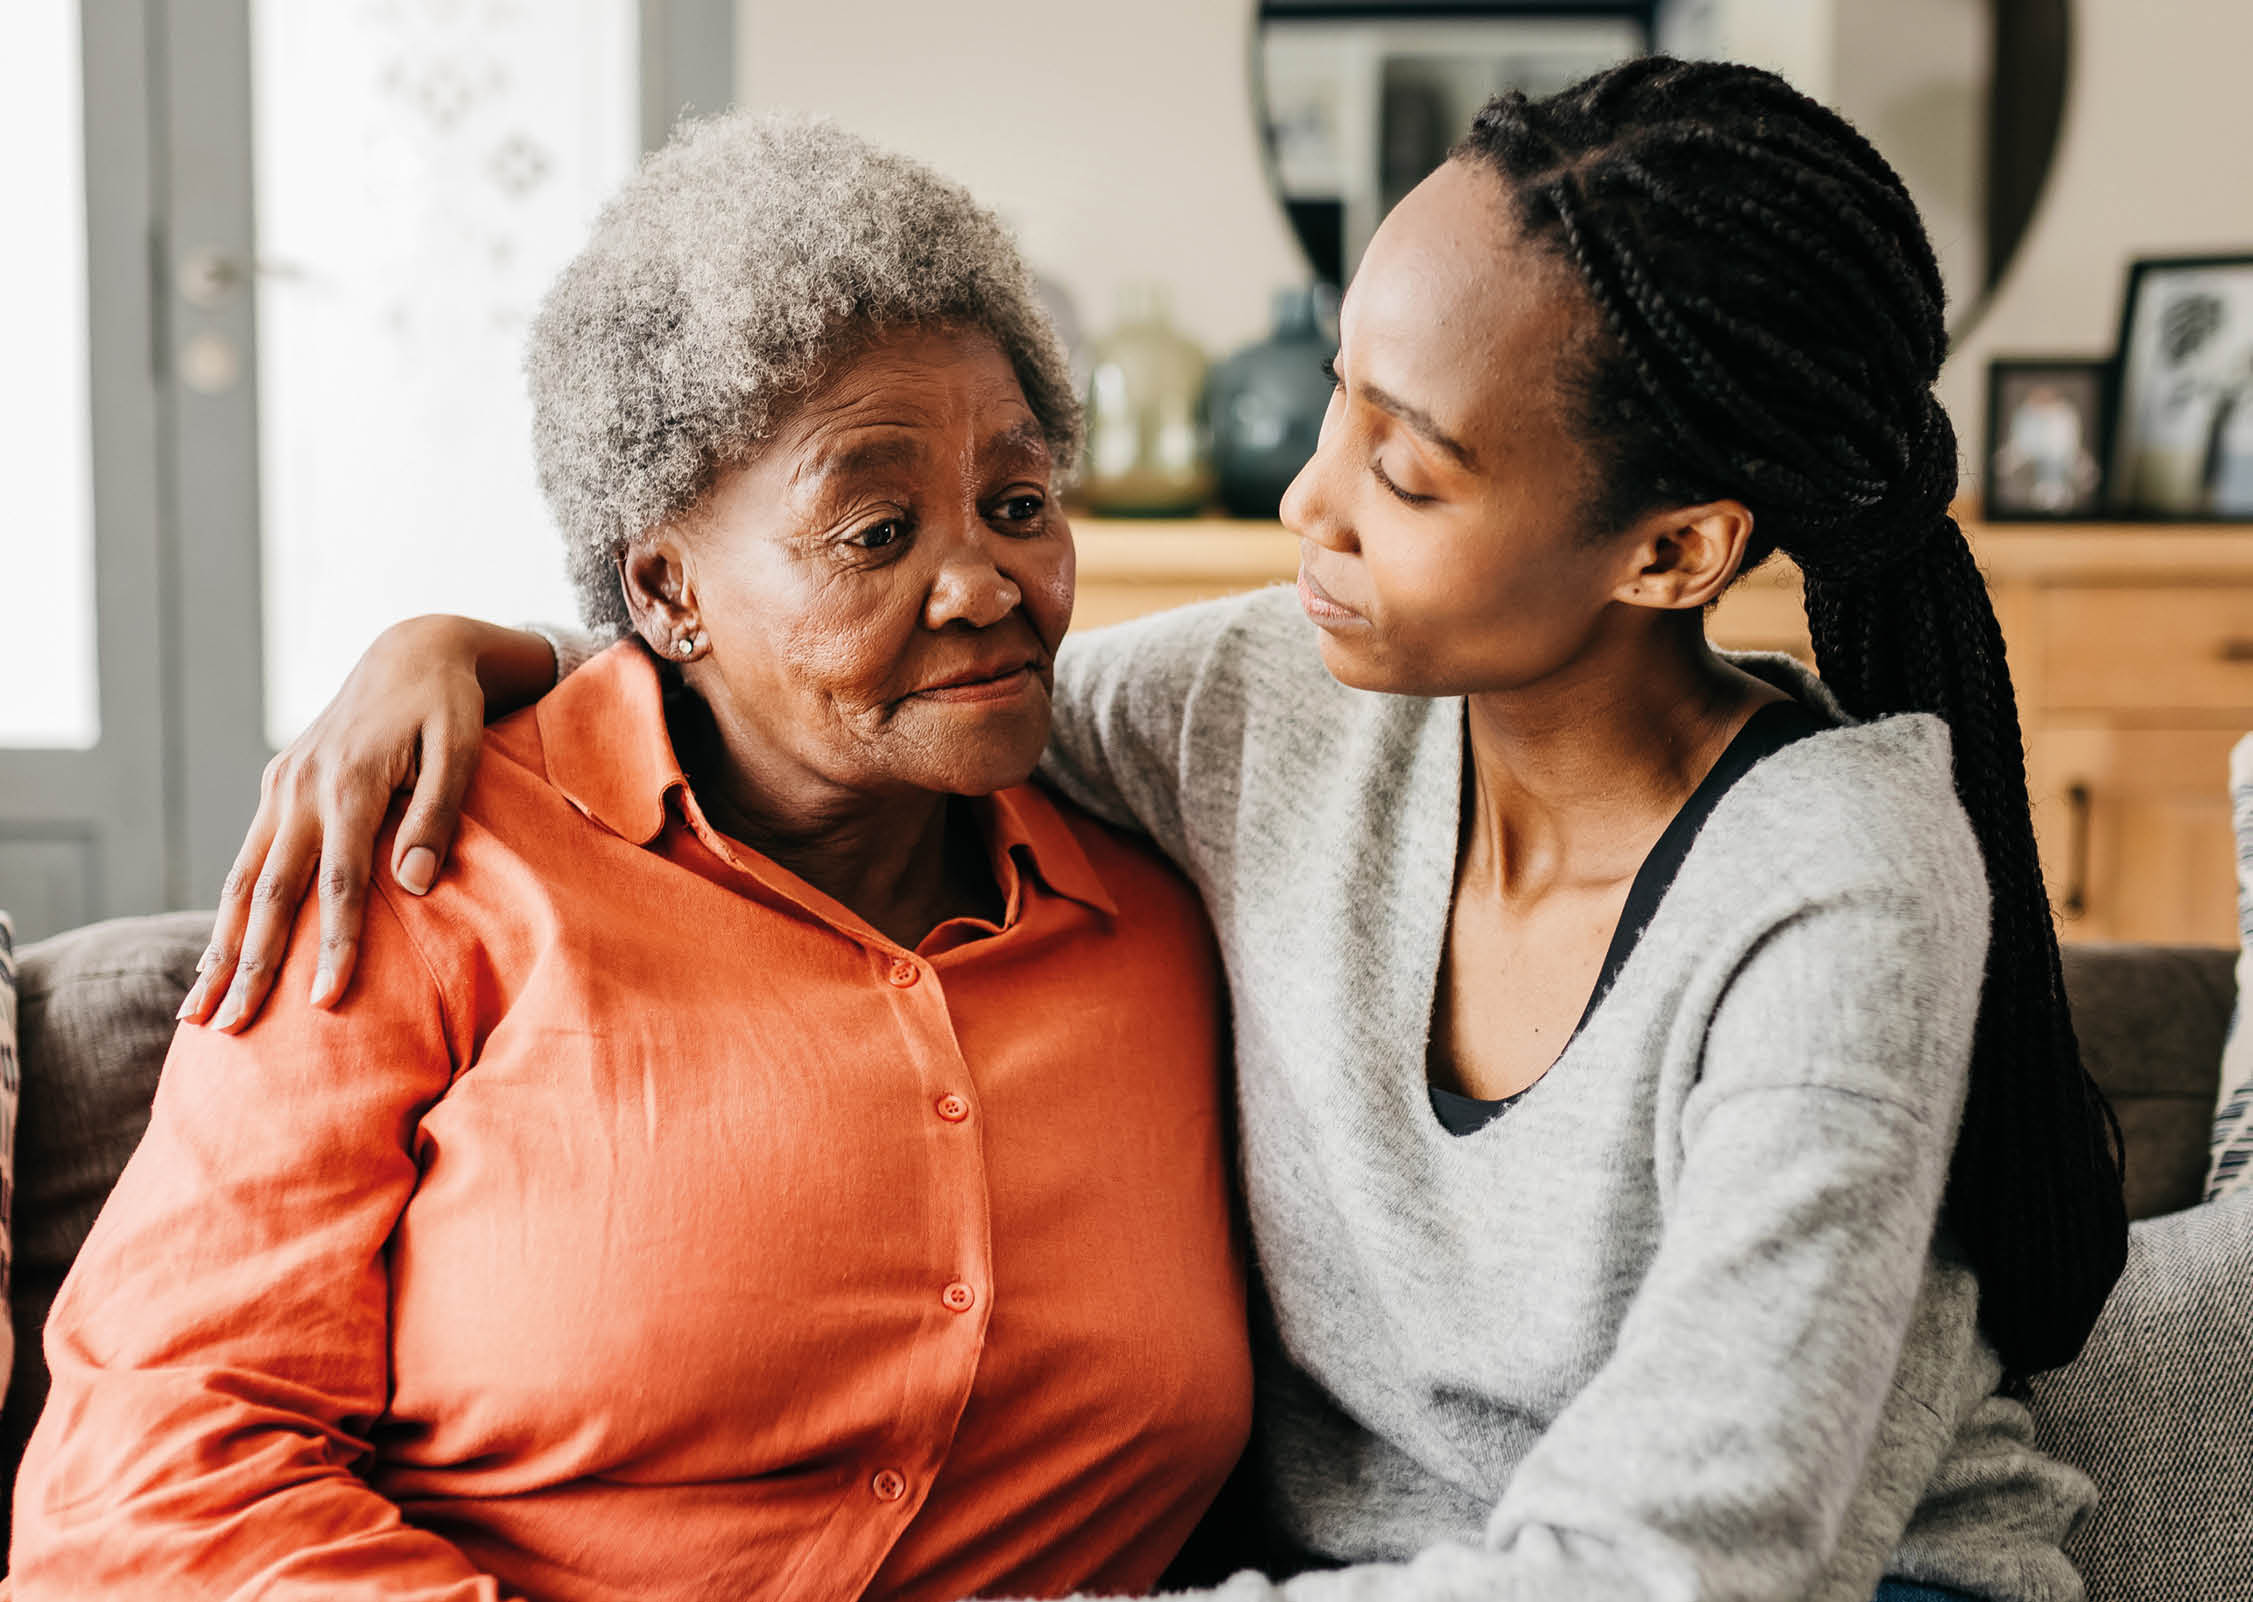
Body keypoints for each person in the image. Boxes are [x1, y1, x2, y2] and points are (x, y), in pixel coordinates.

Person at [180, 59, 2132, 1602]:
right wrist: (483, 647)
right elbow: (843, 697)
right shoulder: (1268, 708)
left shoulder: (1837, 879)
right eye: (1334, 395)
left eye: (1407, 465)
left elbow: (1684, 1563)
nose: (1306, 499)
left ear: (1675, 549)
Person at [9, 116, 1254, 1601]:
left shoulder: (1176, 913)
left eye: (1018, 503)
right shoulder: (423, 866)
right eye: (874, 530)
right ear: (665, 587)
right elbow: (147, 1480)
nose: (984, 582)